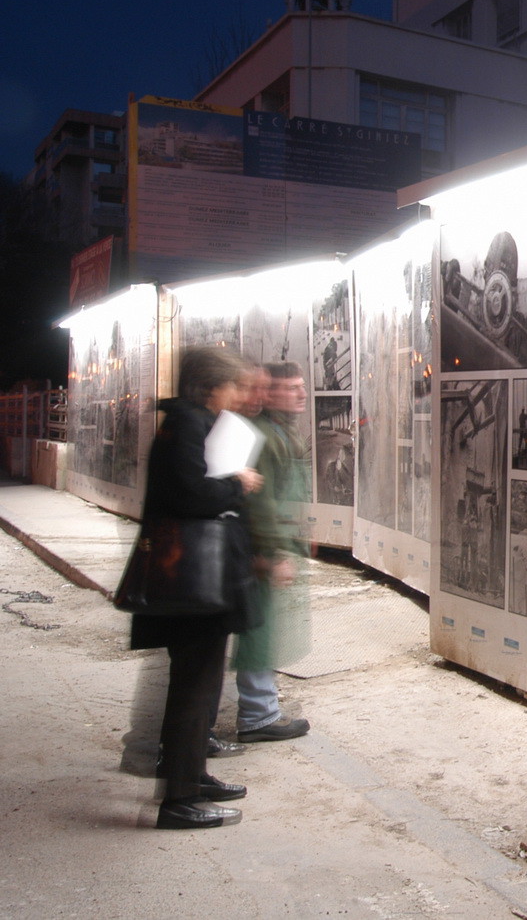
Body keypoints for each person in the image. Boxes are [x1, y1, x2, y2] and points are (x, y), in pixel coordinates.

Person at [131, 346, 262, 830]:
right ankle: (179, 799)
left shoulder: (191, 422)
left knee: (201, 682)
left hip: (197, 576)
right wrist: (238, 484)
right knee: (194, 684)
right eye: (234, 385)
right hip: (192, 579)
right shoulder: (188, 423)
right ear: (211, 386)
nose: (239, 395)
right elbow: (189, 492)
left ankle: (192, 774)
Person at [234, 362, 312, 744]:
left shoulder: (281, 432)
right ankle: (257, 715)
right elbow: (260, 502)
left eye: (302, 386)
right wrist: (270, 553)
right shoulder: (265, 435)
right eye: (291, 387)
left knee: (263, 627)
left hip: (274, 543)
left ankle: (259, 707)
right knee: (258, 629)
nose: (301, 394)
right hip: (262, 549)